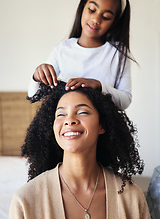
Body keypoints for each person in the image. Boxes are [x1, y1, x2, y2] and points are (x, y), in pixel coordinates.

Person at [9, 82, 150, 219]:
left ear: (102, 126)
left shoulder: (131, 197)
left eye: (82, 112)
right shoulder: (25, 200)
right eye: (61, 114)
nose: (69, 120)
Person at [28, 0, 135, 110]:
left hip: (104, 128)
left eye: (106, 17)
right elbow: (34, 94)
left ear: (115, 22)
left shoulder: (118, 54)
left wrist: (99, 86)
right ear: (83, 6)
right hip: (68, 126)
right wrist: (37, 76)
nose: (96, 20)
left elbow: (125, 100)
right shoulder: (62, 50)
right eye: (92, 9)